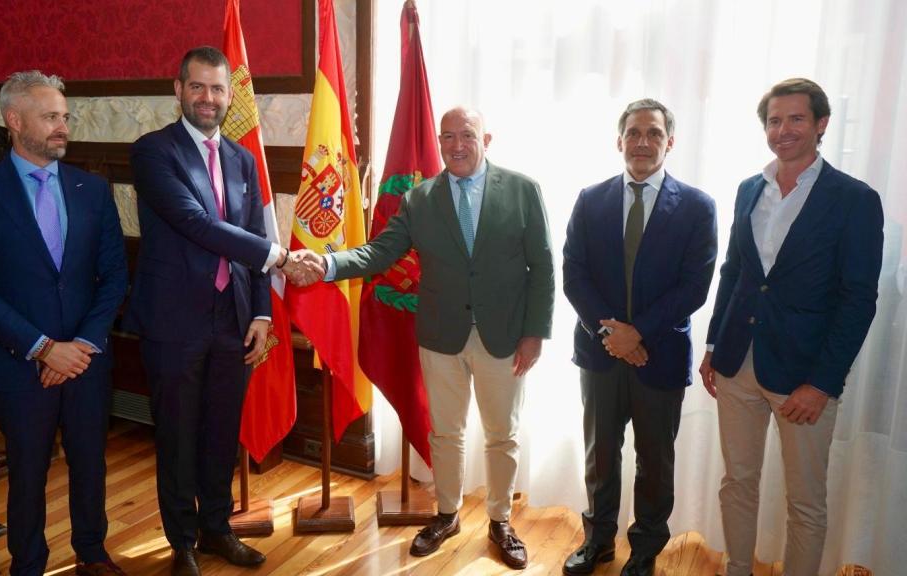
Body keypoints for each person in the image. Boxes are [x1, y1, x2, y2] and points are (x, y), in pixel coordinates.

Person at [290, 106, 555, 570]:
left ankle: (500, 521)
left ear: (486, 139)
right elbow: (379, 253)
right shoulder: (419, 199)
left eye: (466, 135)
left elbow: (544, 267)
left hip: (504, 337)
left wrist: (535, 333)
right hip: (441, 336)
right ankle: (447, 514)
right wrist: (327, 263)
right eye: (447, 136)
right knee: (445, 432)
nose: (456, 145)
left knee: (502, 434)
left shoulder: (522, 190)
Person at [123, 46, 314, 576]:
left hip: (233, 320)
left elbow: (253, 236)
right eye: (198, 87)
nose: (207, 98)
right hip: (173, 322)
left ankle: (216, 528)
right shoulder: (153, 152)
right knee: (178, 435)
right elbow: (197, 224)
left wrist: (261, 313)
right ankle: (182, 541)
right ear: (178, 90)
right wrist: (282, 257)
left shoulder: (241, 159)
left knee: (221, 432)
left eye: (217, 88)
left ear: (231, 96)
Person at [0, 71, 128, 576]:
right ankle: (27, 565)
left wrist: (82, 344)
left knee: (90, 463)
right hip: (19, 363)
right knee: (27, 473)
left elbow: (114, 276)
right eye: (50, 117)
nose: (62, 127)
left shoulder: (93, 189)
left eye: (64, 117)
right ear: (14, 120)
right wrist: (44, 347)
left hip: (87, 360)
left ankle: (92, 553)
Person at [700, 78, 883, 576]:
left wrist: (822, 384)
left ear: (821, 124)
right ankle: (738, 568)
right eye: (774, 121)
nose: (783, 130)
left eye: (796, 119)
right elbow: (735, 273)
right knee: (737, 482)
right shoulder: (749, 189)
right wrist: (714, 343)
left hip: (804, 375)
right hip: (737, 362)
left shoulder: (854, 199)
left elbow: (858, 300)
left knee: (805, 500)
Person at [561, 99, 717, 576]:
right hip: (600, 352)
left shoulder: (697, 207)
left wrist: (638, 333)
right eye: (634, 132)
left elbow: (694, 285)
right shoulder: (590, 199)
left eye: (653, 133)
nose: (642, 142)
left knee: (655, 461)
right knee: (601, 455)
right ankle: (598, 541)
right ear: (619, 141)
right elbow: (574, 274)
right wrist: (612, 334)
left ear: (670, 142)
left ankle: (646, 550)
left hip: (659, 355)